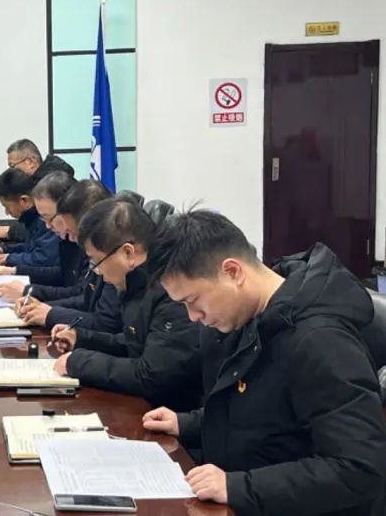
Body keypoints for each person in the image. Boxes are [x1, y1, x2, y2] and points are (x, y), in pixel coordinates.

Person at [142, 210, 386, 515]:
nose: (193, 317)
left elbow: (359, 468)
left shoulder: (320, 341)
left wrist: (236, 486)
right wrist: (186, 423)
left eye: (193, 301)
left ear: (233, 272)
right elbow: (260, 415)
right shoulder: (246, 318)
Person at [50, 198, 202, 412]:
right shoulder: (138, 283)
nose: (99, 274)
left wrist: (79, 362)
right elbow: (135, 343)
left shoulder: (171, 290)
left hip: (171, 415)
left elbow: (152, 375)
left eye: (97, 262)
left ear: (128, 253)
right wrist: (82, 338)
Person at [15, 180, 123, 334]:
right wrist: (44, 308)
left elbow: (107, 323)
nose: (71, 237)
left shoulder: (114, 255)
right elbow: (86, 299)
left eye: (73, 231)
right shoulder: (91, 247)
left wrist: (50, 313)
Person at [0, 139, 75, 242]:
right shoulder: (43, 181)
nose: (11, 171)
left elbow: (44, 230)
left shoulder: (50, 186)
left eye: (12, 166)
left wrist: (10, 231)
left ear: (30, 162)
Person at [0, 168, 59, 271]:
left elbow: (43, 258)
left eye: (7, 207)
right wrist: (4, 249)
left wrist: (9, 258)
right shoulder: (31, 218)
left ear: (24, 200)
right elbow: (30, 248)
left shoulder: (45, 219)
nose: (7, 212)